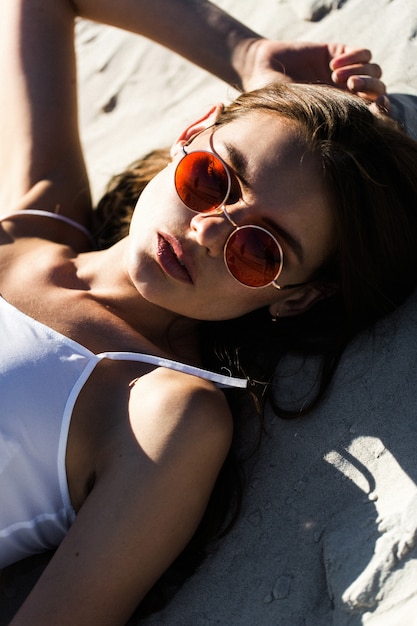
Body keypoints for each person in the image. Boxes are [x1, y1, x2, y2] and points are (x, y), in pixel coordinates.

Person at [1, 0, 416, 624]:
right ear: (192, 133)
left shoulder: (161, 412)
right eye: (211, 178)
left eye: (258, 249)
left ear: (296, 295)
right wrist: (246, 54)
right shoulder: (41, 217)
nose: (207, 231)